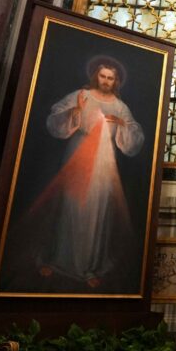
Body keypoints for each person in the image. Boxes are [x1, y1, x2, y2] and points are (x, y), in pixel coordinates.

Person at [34, 56, 145, 290]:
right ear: (96, 76)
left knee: (98, 210)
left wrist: (123, 126)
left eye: (110, 78)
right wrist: (77, 110)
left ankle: (90, 267)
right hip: (79, 155)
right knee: (69, 206)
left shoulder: (120, 106)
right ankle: (57, 260)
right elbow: (55, 118)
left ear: (116, 81)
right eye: (103, 76)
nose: (106, 81)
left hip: (105, 162)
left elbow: (136, 135)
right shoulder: (81, 96)